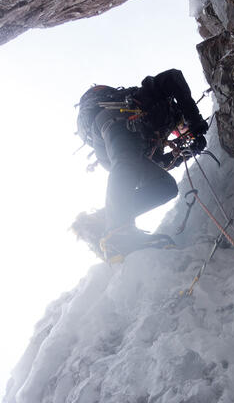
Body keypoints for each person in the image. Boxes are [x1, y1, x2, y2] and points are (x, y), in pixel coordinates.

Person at [74, 69, 209, 261]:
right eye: (183, 127)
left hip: (115, 150)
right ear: (180, 118)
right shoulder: (158, 103)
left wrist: (185, 155)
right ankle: (119, 233)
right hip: (114, 119)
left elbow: (157, 165)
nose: (183, 132)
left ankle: (103, 220)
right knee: (126, 163)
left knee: (165, 187)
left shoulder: (155, 140)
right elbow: (173, 77)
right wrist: (195, 119)